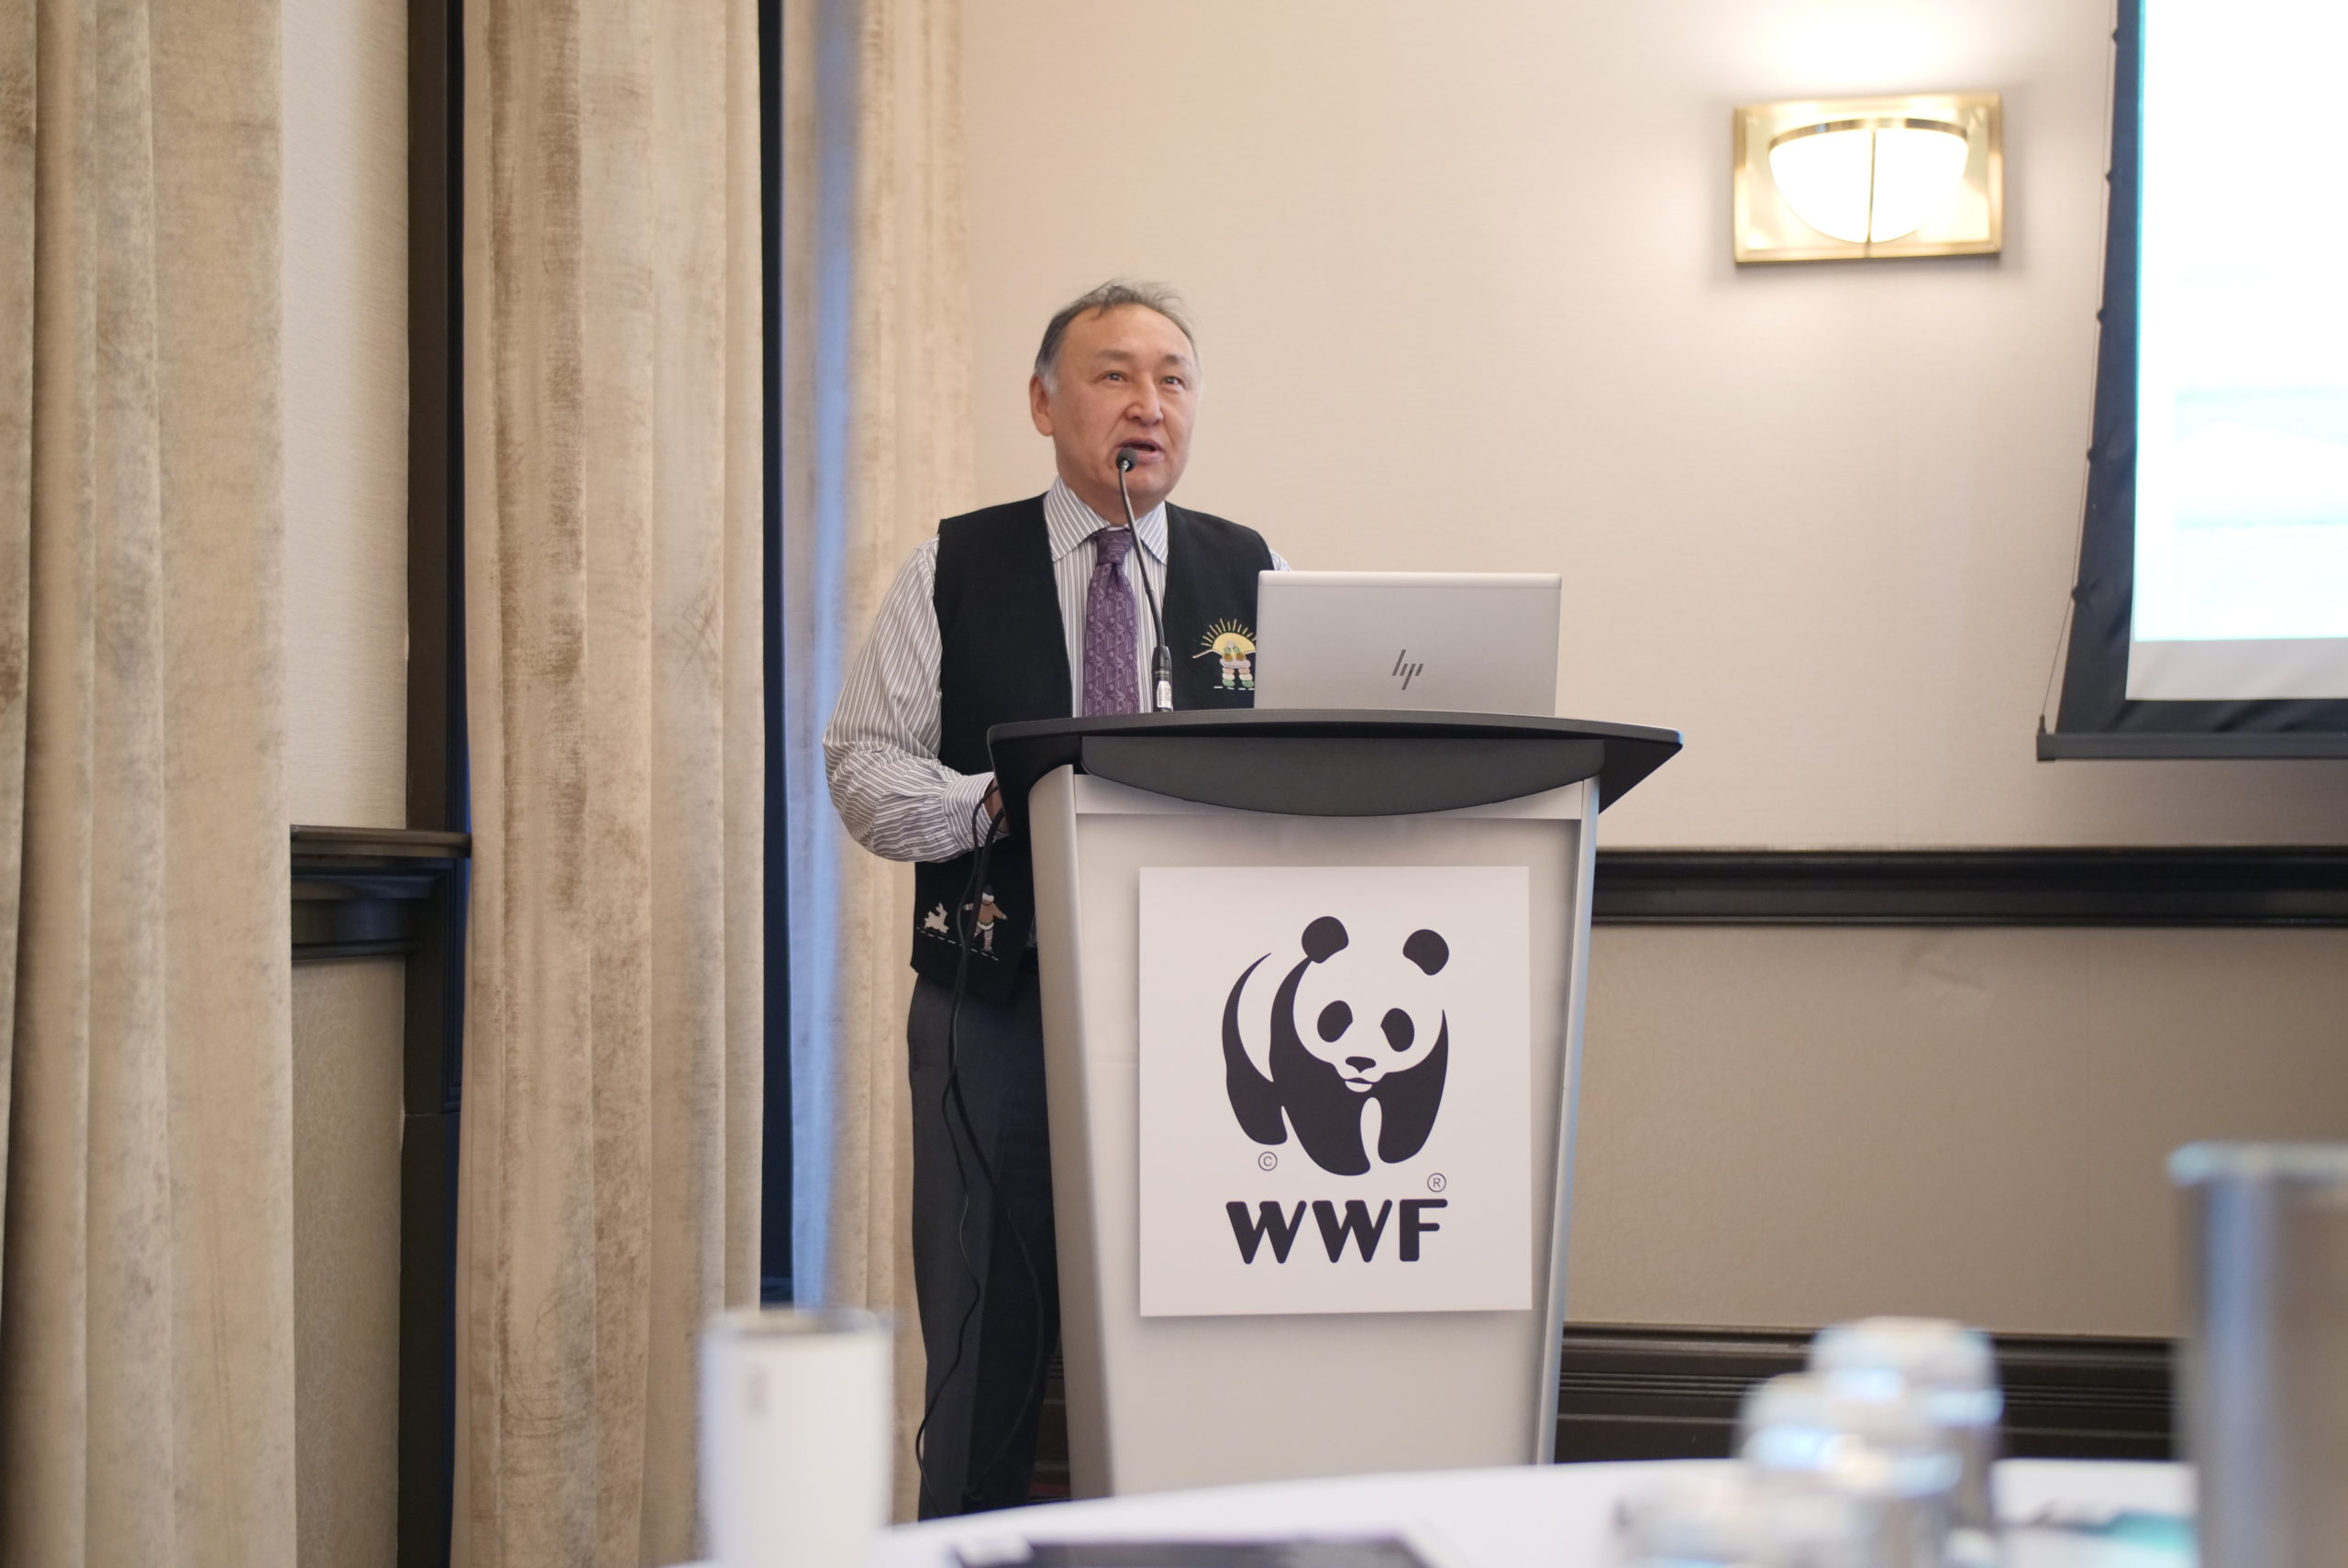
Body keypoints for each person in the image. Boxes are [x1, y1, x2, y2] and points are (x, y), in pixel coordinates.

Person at [825, 281, 1288, 1515]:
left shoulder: (1256, 573)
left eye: (1174, 377)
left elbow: (1311, 773)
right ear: (1043, 401)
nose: (1149, 403)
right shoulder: (955, 563)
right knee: (985, 1360)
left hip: (1215, 1024)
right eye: (1114, 374)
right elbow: (862, 764)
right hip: (997, 1007)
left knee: (1195, 1353)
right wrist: (998, 804)